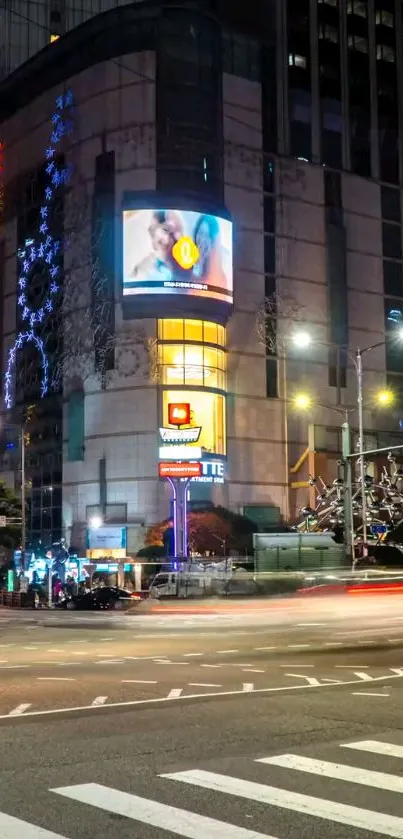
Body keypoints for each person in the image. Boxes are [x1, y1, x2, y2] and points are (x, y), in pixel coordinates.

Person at [130, 210, 184, 283]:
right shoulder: (137, 240)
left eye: (173, 238)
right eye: (165, 230)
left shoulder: (163, 272)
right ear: (154, 222)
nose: (166, 240)